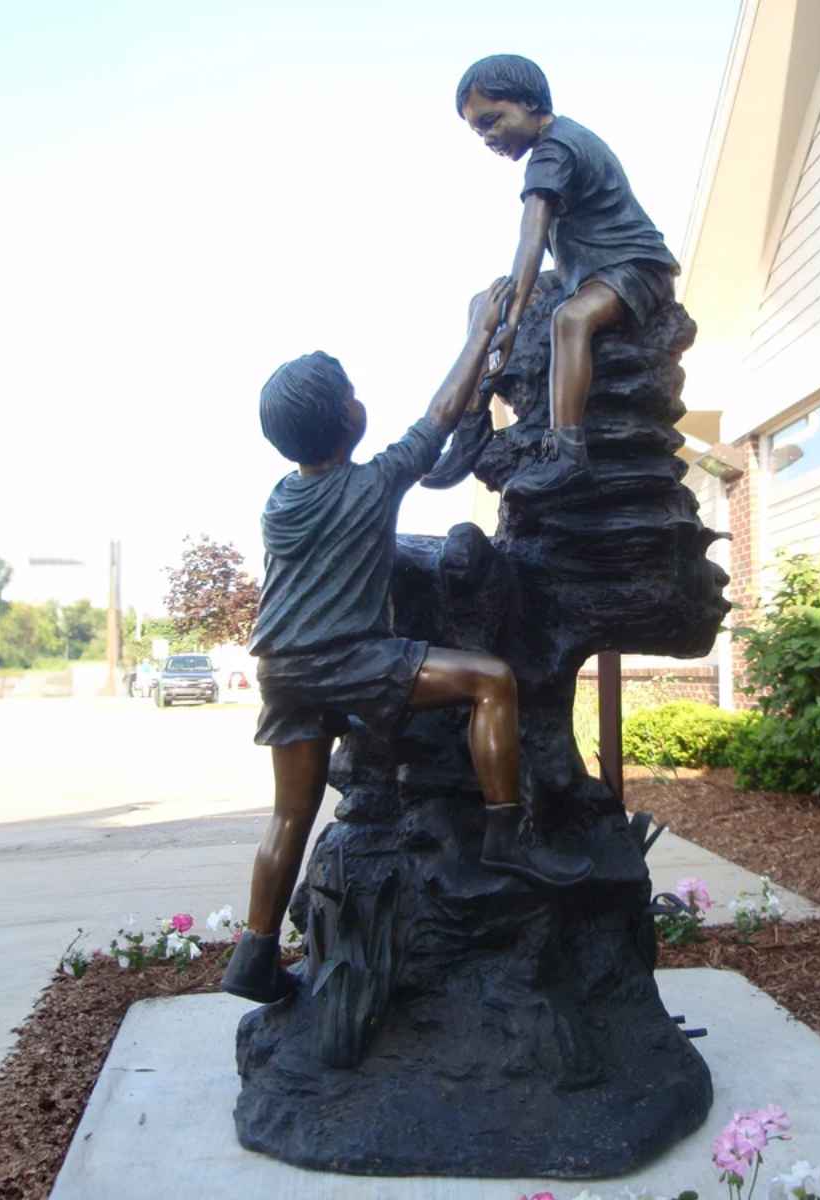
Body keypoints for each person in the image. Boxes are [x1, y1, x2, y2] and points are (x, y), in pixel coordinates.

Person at [221, 277, 593, 1005]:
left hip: (280, 671)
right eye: (354, 395)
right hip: (347, 664)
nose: (362, 402)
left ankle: (254, 957)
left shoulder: (280, 501)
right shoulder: (374, 483)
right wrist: (481, 331)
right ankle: (504, 834)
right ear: (349, 421)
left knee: (288, 816)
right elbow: (442, 411)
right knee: (492, 680)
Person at [421, 54, 679, 500]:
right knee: (483, 302)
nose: (486, 137)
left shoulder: (555, 149)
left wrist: (512, 324)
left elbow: (531, 239)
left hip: (635, 267)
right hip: (583, 268)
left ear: (528, 102)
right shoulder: (552, 144)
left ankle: (568, 453)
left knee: (571, 319)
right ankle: (472, 427)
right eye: (478, 130)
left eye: (492, 120)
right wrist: (501, 312)